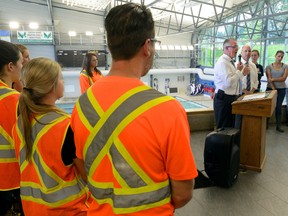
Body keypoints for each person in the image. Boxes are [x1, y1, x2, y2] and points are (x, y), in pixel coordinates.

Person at [71, 3, 198, 215]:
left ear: (111, 45)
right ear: (147, 46)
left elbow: (80, 163)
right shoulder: (168, 109)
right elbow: (183, 193)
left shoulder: (82, 105)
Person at [12, 57, 94, 215]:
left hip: (33, 209)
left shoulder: (20, 124)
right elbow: (88, 175)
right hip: (67, 210)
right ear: (51, 86)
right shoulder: (64, 126)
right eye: (61, 78)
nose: (63, 82)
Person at [0, 40, 23, 216]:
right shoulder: (13, 100)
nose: (23, 66)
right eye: (21, 62)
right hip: (9, 180)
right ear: (10, 67)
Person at [213, 38, 250, 129]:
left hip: (231, 98)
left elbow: (233, 80)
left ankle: (228, 143)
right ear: (226, 48)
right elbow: (228, 83)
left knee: (230, 127)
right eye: (234, 47)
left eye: (237, 46)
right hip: (224, 99)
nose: (237, 49)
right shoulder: (222, 63)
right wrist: (240, 72)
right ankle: (222, 144)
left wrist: (240, 72)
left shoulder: (230, 62)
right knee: (223, 128)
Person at [266, 50, 288, 132]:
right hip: (270, 89)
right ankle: (266, 125)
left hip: (282, 89)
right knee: (268, 106)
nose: (280, 58)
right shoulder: (268, 67)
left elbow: (284, 78)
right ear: (275, 56)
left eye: (282, 57)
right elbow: (269, 79)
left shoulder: (285, 66)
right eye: (279, 56)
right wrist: (274, 90)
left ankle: (278, 126)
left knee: (278, 107)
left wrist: (274, 79)